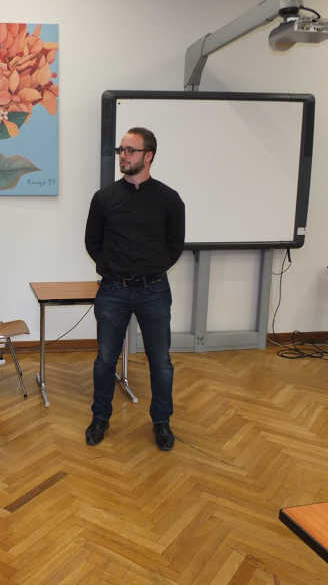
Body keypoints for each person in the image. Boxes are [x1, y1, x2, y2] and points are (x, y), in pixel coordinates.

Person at [84, 127, 185, 451]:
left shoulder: (169, 199)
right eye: (121, 150)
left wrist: (151, 268)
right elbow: (93, 242)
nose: (123, 156)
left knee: (161, 362)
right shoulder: (104, 198)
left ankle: (162, 422)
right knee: (104, 360)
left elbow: (175, 245)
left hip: (153, 291)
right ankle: (100, 418)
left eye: (130, 150)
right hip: (112, 291)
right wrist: (111, 267)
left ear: (148, 156)